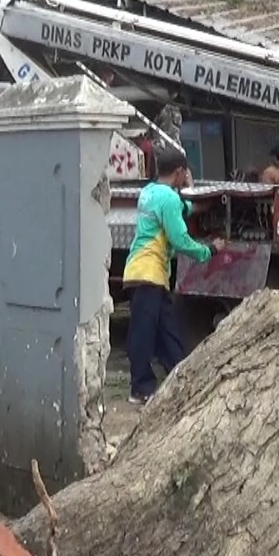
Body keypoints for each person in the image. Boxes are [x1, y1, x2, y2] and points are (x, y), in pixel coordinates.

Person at [122, 149, 224, 405]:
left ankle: (181, 379)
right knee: (144, 333)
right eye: (184, 174)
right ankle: (141, 389)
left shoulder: (149, 192)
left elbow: (176, 207)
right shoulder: (167, 198)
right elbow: (179, 239)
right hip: (148, 273)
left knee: (167, 331)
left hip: (143, 272)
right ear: (179, 172)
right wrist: (209, 250)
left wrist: (194, 204)